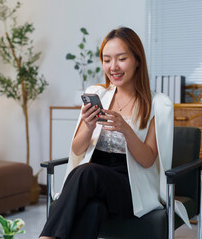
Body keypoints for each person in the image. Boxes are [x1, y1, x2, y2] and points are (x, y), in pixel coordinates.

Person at [39, 27, 189, 239]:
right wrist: (89, 126)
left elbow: (147, 160)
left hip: (131, 188)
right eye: (107, 60)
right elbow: (77, 149)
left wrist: (126, 130)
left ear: (137, 60)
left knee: (86, 172)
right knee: (94, 209)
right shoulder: (96, 93)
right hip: (93, 182)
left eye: (121, 59)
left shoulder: (158, 104)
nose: (113, 67)